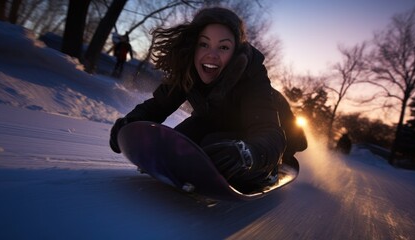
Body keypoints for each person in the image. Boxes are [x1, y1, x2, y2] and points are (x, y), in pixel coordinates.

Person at [109, 7, 307, 191]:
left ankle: (269, 169)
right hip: (217, 120)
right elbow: (158, 106)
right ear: (193, 46)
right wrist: (131, 124)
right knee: (180, 140)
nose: (211, 55)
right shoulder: (188, 68)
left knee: (218, 147)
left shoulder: (252, 75)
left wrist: (251, 154)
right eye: (204, 44)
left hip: (273, 124)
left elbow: (268, 129)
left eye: (223, 47)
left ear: (235, 52)